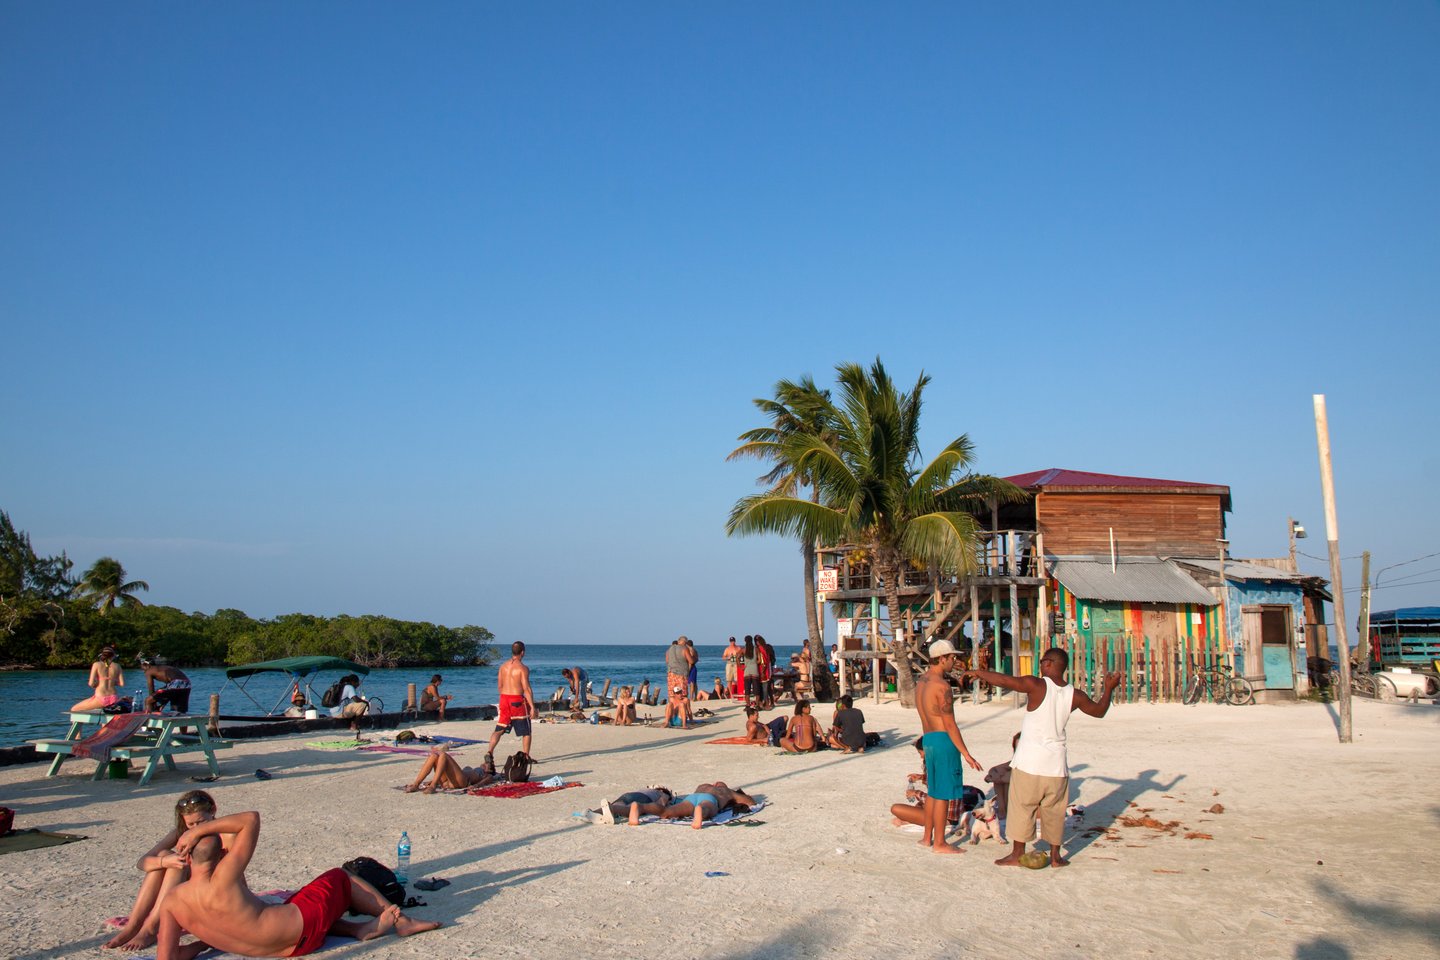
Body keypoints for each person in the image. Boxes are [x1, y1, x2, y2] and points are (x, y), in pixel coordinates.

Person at [154, 811, 440, 959]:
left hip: (280, 946)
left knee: (298, 898)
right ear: (219, 857)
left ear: (188, 859)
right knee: (339, 877)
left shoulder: (172, 901)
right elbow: (251, 819)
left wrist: (203, 945)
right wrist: (201, 829)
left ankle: (358, 930)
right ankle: (403, 921)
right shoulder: (225, 875)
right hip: (300, 933)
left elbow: (168, 957)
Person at [962, 647, 1121, 868]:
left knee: (1022, 808)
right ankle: (1056, 857)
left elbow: (1007, 681)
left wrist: (978, 672)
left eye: (1042, 661)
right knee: (1054, 812)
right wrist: (1109, 689)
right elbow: (1099, 711)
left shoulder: (1037, 684)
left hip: (1030, 762)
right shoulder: (1074, 694)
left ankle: (1018, 854)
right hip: (1056, 766)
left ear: (1048, 663)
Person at [103, 791, 221, 951]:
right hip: (187, 892)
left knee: (176, 863)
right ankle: (134, 926)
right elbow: (142, 862)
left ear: (213, 811)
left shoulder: (223, 831)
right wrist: (163, 861)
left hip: (211, 891)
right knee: (165, 856)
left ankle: (151, 928)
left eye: (200, 822)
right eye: (190, 824)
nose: (195, 828)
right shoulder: (181, 833)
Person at [915, 639, 983, 854]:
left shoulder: (921, 682)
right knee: (943, 793)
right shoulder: (942, 686)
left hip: (928, 739)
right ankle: (940, 843)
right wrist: (966, 753)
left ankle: (928, 838)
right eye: (952, 657)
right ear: (941, 658)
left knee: (934, 791)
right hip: (944, 741)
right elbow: (950, 724)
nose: (954, 661)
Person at [889, 740, 963, 835]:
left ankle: (916, 822)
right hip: (944, 812)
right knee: (915, 807)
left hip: (946, 817)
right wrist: (921, 777)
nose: (921, 756)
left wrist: (916, 793)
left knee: (895, 809)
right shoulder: (943, 764)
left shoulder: (939, 769)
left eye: (920, 752)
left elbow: (937, 800)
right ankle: (913, 820)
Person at [486, 641, 537, 767]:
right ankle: (525, 756)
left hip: (504, 698)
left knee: (500, 729)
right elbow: (526, 689)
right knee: (526, 731)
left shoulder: (503, 666)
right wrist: (532, 707)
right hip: (517, 700)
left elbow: (499, 686)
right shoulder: (522, 668)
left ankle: (489, 752)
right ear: (523, 652)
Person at [630, 782, 756, 830]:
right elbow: (750, 802)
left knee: (666, 812)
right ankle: (701, 811)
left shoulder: (703, 786)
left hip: (691, 798)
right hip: (709, 799)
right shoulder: (727, 791)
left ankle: (641, 807)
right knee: (707, 809)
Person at [404, 746, 498, 793]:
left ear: (489, 770)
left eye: (489, 765)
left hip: (461, 782)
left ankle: (433, 786)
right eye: (486, 763)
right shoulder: (471, 768)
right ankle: (416, 784)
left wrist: (476, 785)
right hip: (447, 781)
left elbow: (488, 779)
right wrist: (431, 779)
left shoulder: (485, 773)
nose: (486, 764)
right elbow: (451, 770)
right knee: (433, 756)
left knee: (444, 755)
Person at [984, 732, 1022, 829]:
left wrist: (1000, 777)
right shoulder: (1016, 760)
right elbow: (998, 768)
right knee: (1000, 779)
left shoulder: (1032, 761)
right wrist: (994, 774)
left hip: (1027, 792)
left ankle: (1005, 810)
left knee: (1005, 780)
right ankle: (1002, 810)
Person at [73, 646, 125, 712]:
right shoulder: (117, 666)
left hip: (101, 697)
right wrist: (111, 681)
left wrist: (97, 683)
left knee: (74, 709)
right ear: (113, 656)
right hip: (113, 697)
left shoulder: (96, 664)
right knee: (105, 713)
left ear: (102, 655)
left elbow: (91, 683)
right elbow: (122, 684)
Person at [596, 786, 673, 825]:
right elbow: (662, 803)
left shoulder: (645, 789)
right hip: (644, 798)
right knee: (630, 809)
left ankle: (593, 813)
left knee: (619, 804)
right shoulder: (662, 793)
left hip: (629, 794)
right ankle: (613, 809)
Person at [664, 638, 690, 709]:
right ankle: (683, 710)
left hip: (671, 673)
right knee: (683, 693)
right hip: (681, 673)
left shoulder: (668, 650)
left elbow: (667, 661)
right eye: (685, 642)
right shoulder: (684, 649)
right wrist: (695, 659)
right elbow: (691, 660)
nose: (686, 644)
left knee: (672, 693)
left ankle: (672, 710)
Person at [740, 636, 760, 704]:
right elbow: (759, 660)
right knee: (756, 690)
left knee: (747, 690)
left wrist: (740, 666)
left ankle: (748, 705)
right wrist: (754, 663)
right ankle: (757, 705)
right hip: (755, 670)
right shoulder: (756, 649)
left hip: (747, 671)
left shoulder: (743, 650)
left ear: (745, 641)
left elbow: (737, 657)